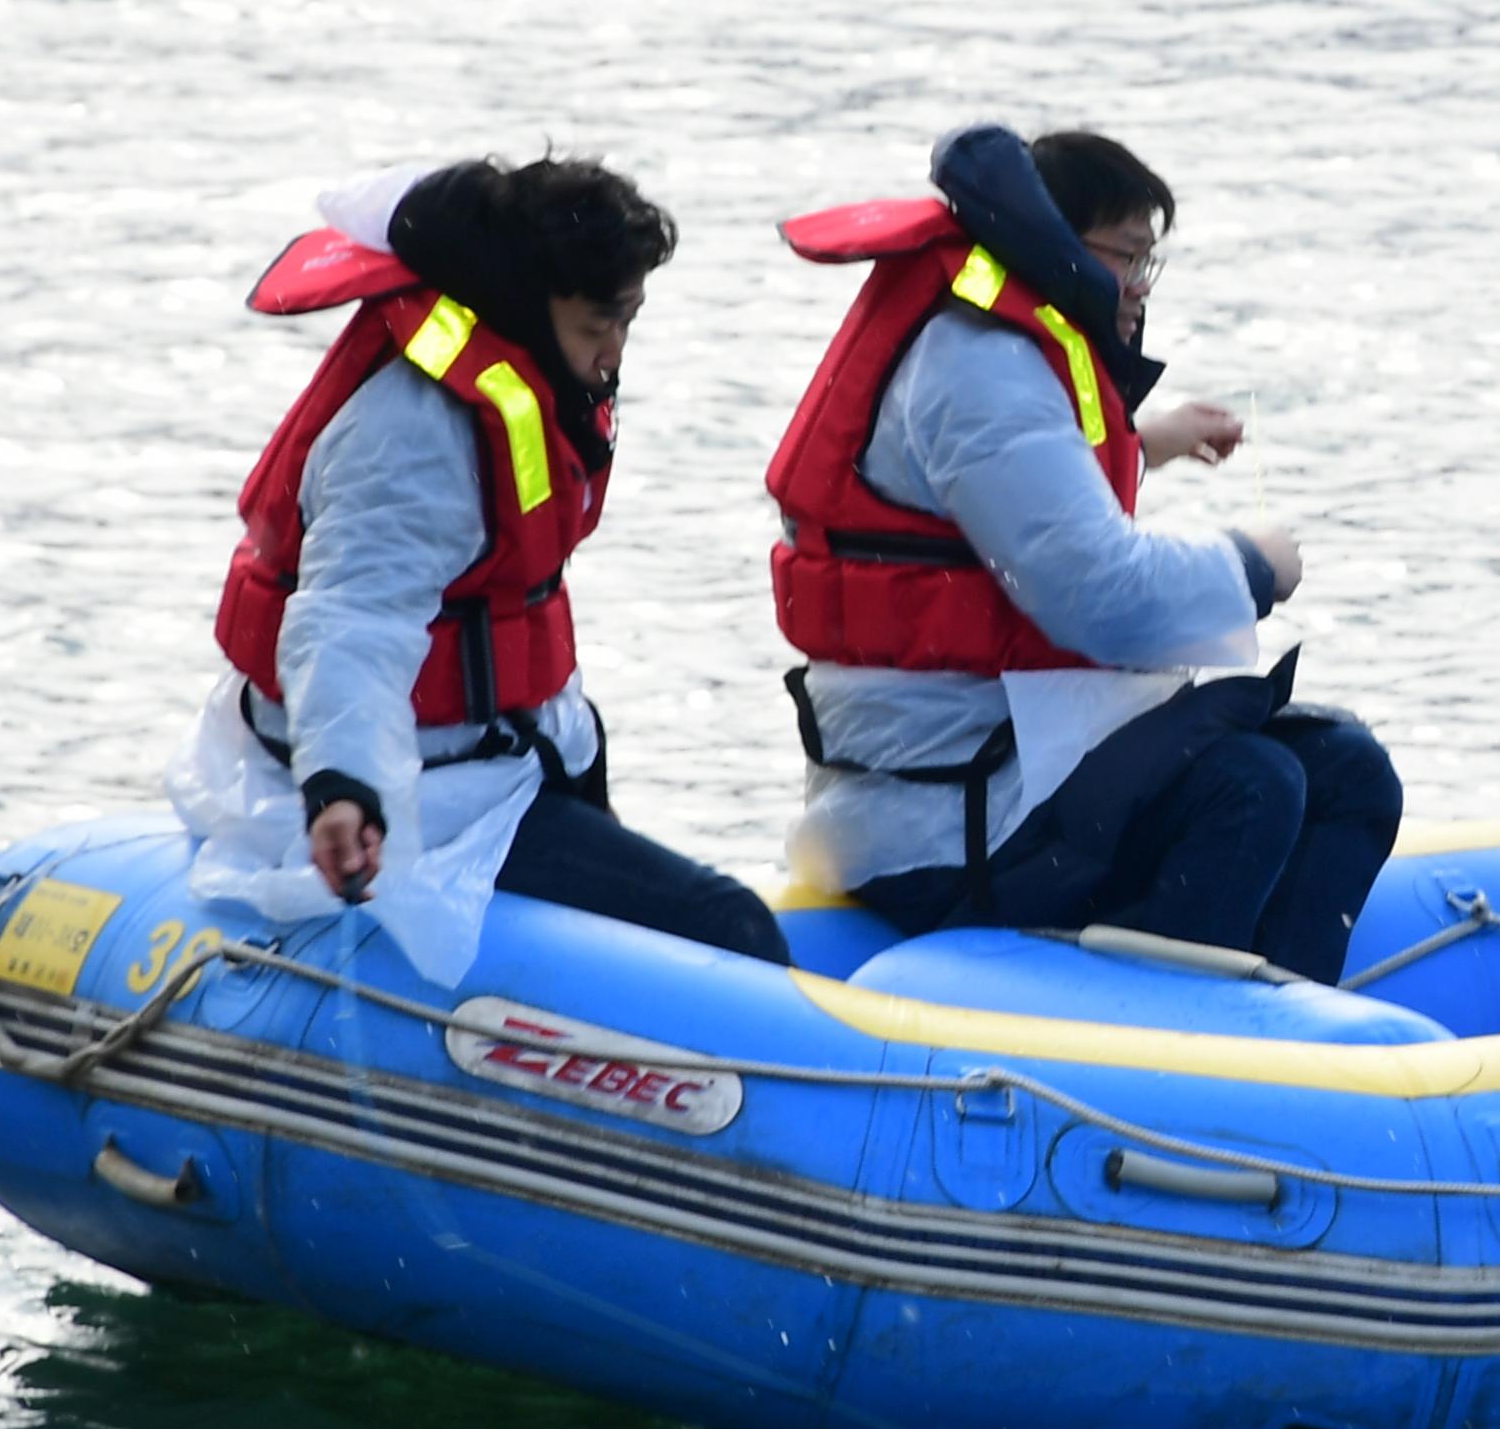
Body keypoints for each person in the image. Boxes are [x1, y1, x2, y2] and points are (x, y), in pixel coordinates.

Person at [767, 125, 1400, 982]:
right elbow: (1097, 593)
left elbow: (1007, 498)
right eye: (1129, 257)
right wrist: (1254, 568)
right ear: (1057, 242)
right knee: (1247, 787)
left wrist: (1147, 443)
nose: (1141, 287)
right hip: (945, 808)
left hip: (1015, 750)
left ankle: (1288, 1031)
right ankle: (1172, 1051)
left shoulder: (993, 340)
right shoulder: (980, 364)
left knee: (1349, 768)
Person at [168, 155, 786, 983]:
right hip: (412, 788)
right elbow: (351, 621)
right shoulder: (414, 430)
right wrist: (344, 786)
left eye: (627, 322)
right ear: (528, 305)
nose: (612, 354)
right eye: (595, 325)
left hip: (483, 755)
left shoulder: (518, 380)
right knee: (729, 926)